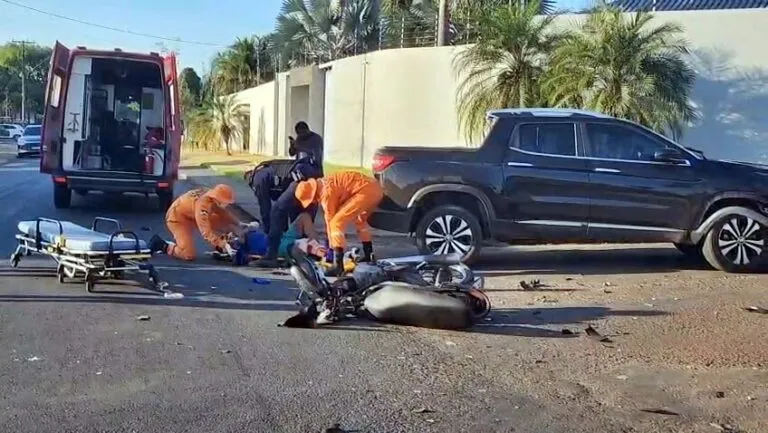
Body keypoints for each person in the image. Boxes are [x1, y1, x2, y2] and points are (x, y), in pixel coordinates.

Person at [294, 171, 384, 276]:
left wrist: (330, 254)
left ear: (312, 194)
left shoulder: (325, 193)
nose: (313, 202)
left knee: (336, 222)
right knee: (360, 220)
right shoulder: (325, 183)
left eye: (311, 200)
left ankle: (338, 265)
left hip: (365, 192)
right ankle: (369, 255)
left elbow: (330, 222)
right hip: (375, 189)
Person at [149, 184, 248, 261]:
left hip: (191, 214)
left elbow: (221, 213)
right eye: (226, 202)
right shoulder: (202, 206)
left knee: (225, 223)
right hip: (178, 218)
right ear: (218, 199)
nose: (227, 204)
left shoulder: (211, 197)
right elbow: (206, 232)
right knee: (188, 254)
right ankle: (162, 245)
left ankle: (223, 246)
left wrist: (238, 223)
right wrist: (222, 244)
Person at [252, 180, 319, 268]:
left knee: (303, 216)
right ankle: (312, 250)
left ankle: (314, 245)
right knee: (295, 247)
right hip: (282, 246)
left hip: (282, 240)